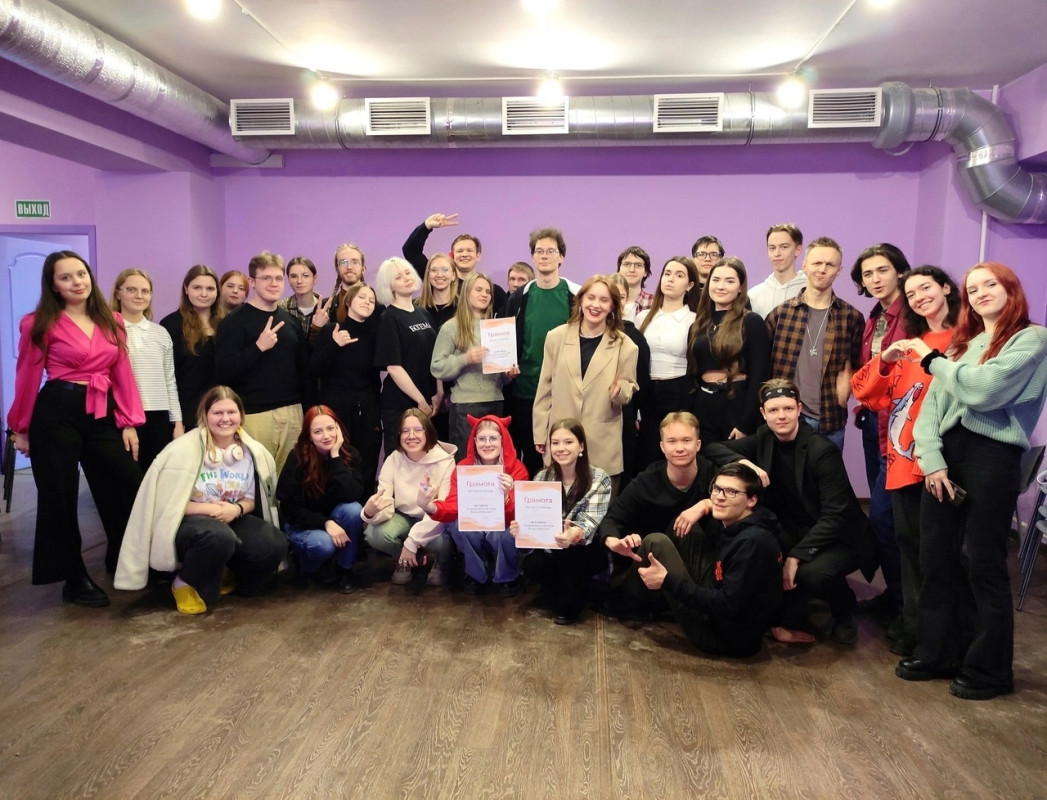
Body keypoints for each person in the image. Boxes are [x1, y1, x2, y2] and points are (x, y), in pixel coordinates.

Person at [896, 262, 1047, 700]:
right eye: (973, 288)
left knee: (984, 564)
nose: (980, 293)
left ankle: (989, 669)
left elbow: (984, 390)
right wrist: (932, 460)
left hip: (992, 457)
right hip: (945, 456)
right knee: (936, 559)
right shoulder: (966, 344)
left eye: (989, 284)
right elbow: (930, 408)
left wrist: (933, 362)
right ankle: (937, 652)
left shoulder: (1032, 338)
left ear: (1010, 288)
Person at [8, 251, 145, 607]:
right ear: (53, 285)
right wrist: (21, 428)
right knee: (59, 495)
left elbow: (122, 373)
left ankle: (123, 555)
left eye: (81, 274)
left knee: (128, 480)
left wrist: (129, 421)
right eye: (66, 277)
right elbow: (26, 376)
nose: (76, 282)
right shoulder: (38, 323)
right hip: (57, 411)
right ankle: (73, 577)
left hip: (101, 411)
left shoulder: (111, 320)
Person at [704, 379, 877, 645]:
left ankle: (845, 609)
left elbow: (835, 517)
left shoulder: (822, 451)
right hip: (797, 528)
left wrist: (796, 556)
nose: (781, 416)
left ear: (799, 409)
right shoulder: (765, 437)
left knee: (812, 574)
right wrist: (746, 464)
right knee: (764, 548)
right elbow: (712, 448)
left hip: (839, 537)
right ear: (763, 413)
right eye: (773, 410)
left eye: (787, 408)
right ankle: (787, 609)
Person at [852, 265, 960, 657]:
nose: (918, 298)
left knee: (937, 555)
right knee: (908, 546)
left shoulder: (966, 342)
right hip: (901, 458)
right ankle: (914, 627)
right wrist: (885, 359)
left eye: (925, 288)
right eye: (911, 293)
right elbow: (866, 392)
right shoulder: (910, 344)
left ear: (946, 288)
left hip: (939, 461)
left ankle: (936, 637)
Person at [115, 386, 286, 614]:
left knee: (274, 543)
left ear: (241, 415)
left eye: (231, 412)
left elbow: (252, 499)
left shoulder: (252, 452)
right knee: (218, 536)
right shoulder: (180, 452)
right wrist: (209, 509)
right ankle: (184, 582)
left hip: (231, 516)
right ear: (205, 415)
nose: (225, 419)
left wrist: (236, 510)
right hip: (190, 522)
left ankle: (228, 571)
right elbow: (167, 503)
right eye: (217, 413)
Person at [637, 462, 783, 657]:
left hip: (720, 635)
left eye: (731, 492)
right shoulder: (748, 520)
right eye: (717, 489)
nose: (720, 497)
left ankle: (628, 605)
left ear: (751, 500)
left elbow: (725, 606)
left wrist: (667, 581)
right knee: (682, 526)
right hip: (718, 598)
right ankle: (653, 599)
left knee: (656, 542)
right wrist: (704, 505)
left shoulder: (753, 543)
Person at [596, 411, 717, 619]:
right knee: (655, 541)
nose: (679, 448)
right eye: (672, 441)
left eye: (686, 440)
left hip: (696, 566)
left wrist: (706, 504)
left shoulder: (714, 475)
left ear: (698, 445)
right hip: (650, 566)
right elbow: (612, 518)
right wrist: (613, 542)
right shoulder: (647, 481)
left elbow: (743, 505)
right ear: (662, 447)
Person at [848, 244, 911, 631]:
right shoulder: (875, 317)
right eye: (867, 274)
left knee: (887, 517)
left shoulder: (912, 314)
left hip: (900, 428)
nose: (874, 279)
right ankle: (895, 596)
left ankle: (907, 608)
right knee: (883, 517)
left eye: (882, 270)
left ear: (900, 271)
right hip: (874, 423)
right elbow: (869, 369)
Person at [534, 274, 639, 489]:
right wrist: (540, 433)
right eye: (591, 298)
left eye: (604, 300)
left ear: (612, 306)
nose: (596, 305)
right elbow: (545, 389)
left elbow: (629, 389)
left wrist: (620, 390)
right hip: (561, 441)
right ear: (580, 300)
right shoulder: (556, 337)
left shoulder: (626, 345)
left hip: (601, 445)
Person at [765, 237, 864, 452]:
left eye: (830, 264)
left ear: (839, 270)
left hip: (830, 420)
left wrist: (851, 382)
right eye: (817, 263)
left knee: (828, 474)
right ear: (804, 265)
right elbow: (762, 367)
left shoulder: (852, 317)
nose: (822, 269)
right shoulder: (780, 315)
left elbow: (859, 365)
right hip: (786, 419)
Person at [214, 251, 307, 474]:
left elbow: (303, 371)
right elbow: (222, 371)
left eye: (278, 278)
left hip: (293, 413)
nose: (274, 283)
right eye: (266, 278)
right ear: (252, 281)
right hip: (255, 415)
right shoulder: (234, 322)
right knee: (256, 480)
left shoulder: (291, 322)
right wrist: (258, 348)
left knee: (290, 481)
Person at [512, 418, 612, 624]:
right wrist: (522, 529)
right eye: (555, 443)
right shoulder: (542, 477)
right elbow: (534, 518)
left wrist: (573, 534)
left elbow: (589, 521)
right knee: (533, 565)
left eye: (568, 442)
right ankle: (562, 587)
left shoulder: (599, 478)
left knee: (567, 601)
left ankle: (575, 591)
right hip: (551, 547)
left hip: (584, 548)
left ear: (581, 446)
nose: (561, 448)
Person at [418, 414, 529, 595]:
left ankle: (508, 576)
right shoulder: (463, 469)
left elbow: (520, 515)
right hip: (475, 527)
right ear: (474, 441)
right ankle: (475, 574)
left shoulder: (517, 469)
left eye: (493, 438)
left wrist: (506, 498)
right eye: (482, 439)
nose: (487, 444)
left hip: (502, 528)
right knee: (458, 525)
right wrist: (429, 506)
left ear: (503, 440)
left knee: (510, 530)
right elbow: (453, 506)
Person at [501, 227, 580, 476]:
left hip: (563, 392)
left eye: (550, 251)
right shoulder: (519, 297)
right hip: (526, 391)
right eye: (539, 251)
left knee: (563, 459)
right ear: (533, 256)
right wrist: (506, 367)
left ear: (561, 257)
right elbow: (506, 340)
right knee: (530, 458)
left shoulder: (576, 295)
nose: (544, 256)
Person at [362, 408, 457, 586]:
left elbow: (445, 510)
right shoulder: (393, 459)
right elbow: (384, 501)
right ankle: (405, 560)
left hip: (434, 519)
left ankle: (440, 562)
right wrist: (369, 513)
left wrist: (412, 542)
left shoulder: (446, 461)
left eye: (418, 430)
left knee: (441, 543)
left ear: (428, 432)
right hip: (404, 516)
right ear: (399, 435)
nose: (411, 436)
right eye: (405, 431)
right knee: (375, 535)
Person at [277, 405, 365, 594]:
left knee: (353, 510)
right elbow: (290, 507)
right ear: (309, 435)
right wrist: (325, 523)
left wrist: (335, 457)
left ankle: (345, 569)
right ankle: (307, 566)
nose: (326, 436)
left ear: (338, 428)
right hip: (302, 524)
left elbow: (352, 495)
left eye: (330, 428)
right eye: (318, 431)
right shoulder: (297, 458)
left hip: (334, 519)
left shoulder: (351, 454)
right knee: (323, 545)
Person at [431, 272, 518, 457]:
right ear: (466, 292)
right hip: (466, 406)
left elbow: (501, 375)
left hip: (495, 401)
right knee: (467, 460)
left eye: (487, 291)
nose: (484, 294)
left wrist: (507, 374)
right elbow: (437, 367)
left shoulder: (496, 327)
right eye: (478, 289)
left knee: (493, 460)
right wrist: (466, 359)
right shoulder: (451, 327)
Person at [688, 256, 771, 443]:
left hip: (737, 405)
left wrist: (745, 424)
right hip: (703, 406)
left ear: (740, 287)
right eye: (716, 280)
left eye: (729, 281)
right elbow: (691, 374)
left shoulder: (752, 322)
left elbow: (760, 376)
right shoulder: (698, 325)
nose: (721, 286)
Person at [310, 282, 383, 493]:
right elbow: (314, 370)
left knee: (368, 462)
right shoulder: (332, 330)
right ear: (349, 301)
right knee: (339, 457)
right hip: (337, 405)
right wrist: (334, 345)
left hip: (367, 406)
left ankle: (365, 507)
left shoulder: (375, 333)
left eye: (372, 300)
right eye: (362, 297)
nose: (367, 302)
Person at [110, 268, 183, 472]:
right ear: (118, 293)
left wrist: (177, 421)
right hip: (123, 415)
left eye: (145, 291)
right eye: (131, 289)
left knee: (155, 477)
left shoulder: (160, 333)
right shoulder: (108, 331)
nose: (139, 295)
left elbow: (169, 380)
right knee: (127, 477)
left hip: (158, 418)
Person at [373, 256, 442, 457]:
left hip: (429, 402)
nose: (406, 278)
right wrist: (420, 401)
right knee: (401, 461)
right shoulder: (388, 317)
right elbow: (394, 367)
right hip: (401, 404)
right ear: (389, 286)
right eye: (398, 277)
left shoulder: (423, 313)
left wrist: (438, 392)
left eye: (408, 273)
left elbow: (436, 357)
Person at [635, 256, 701, 465]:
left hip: (679, 391)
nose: (670, 279)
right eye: (667, 273)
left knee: (676, 452)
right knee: (647, 453)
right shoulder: (642, 317)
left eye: (679, 275)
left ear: (690, 285)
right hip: (646, 391)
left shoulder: (695, 320)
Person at [160, 264, 224, 431]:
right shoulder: (171, 325)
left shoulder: (227, 324)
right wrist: (176, 420)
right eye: (197, 288)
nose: (204, 294)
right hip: (186, 415)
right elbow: (168, 378)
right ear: (186, 289)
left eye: (210, 288)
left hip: (222, 412)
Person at [402, 212, 508, 310]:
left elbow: (509, 317)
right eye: (460, 251)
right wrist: (426, 227)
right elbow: (410, 251)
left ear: (478, 255)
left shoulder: (490, 291)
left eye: (469, 250)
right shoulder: (440, 280)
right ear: (452, 255)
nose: (464, 254)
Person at [606, 273, 651, 488]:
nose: (615, 302)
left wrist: (636, 413)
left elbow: (641, 382)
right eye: (610, 295)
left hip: (624, 413)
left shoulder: (634, 338)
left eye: (620, 297)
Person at [749, 223, 806, 319]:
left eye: (784, 247)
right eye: (772, 248)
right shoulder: (753, 296)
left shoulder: (810, 290)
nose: (777, 253)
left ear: (798, 249)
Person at [280, 255, 323, 333]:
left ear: (315, 278)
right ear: (288, 280)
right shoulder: (281, 308)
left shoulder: (327, 309)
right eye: (294, 276)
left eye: (305, 276)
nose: (299, 281)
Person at [616, 246, 653, 321]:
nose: (632, 270)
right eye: (627, 264)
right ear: (619, 269)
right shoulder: (609, 301)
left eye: (638, 265)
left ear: (646, 272)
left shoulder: (654, 303)